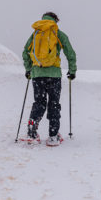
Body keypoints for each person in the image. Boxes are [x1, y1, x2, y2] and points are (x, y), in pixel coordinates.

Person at [21, 11, 77, 146]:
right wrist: (72, 70)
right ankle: (53, 136)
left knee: (39, 102)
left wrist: (29, 69)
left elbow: (25, 52)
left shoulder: (36, 33)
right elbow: (70, 52)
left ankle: (32, 131)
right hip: (54, 76)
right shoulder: (57, 33)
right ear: (55, 20)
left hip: (37, 75)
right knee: (54, 104)